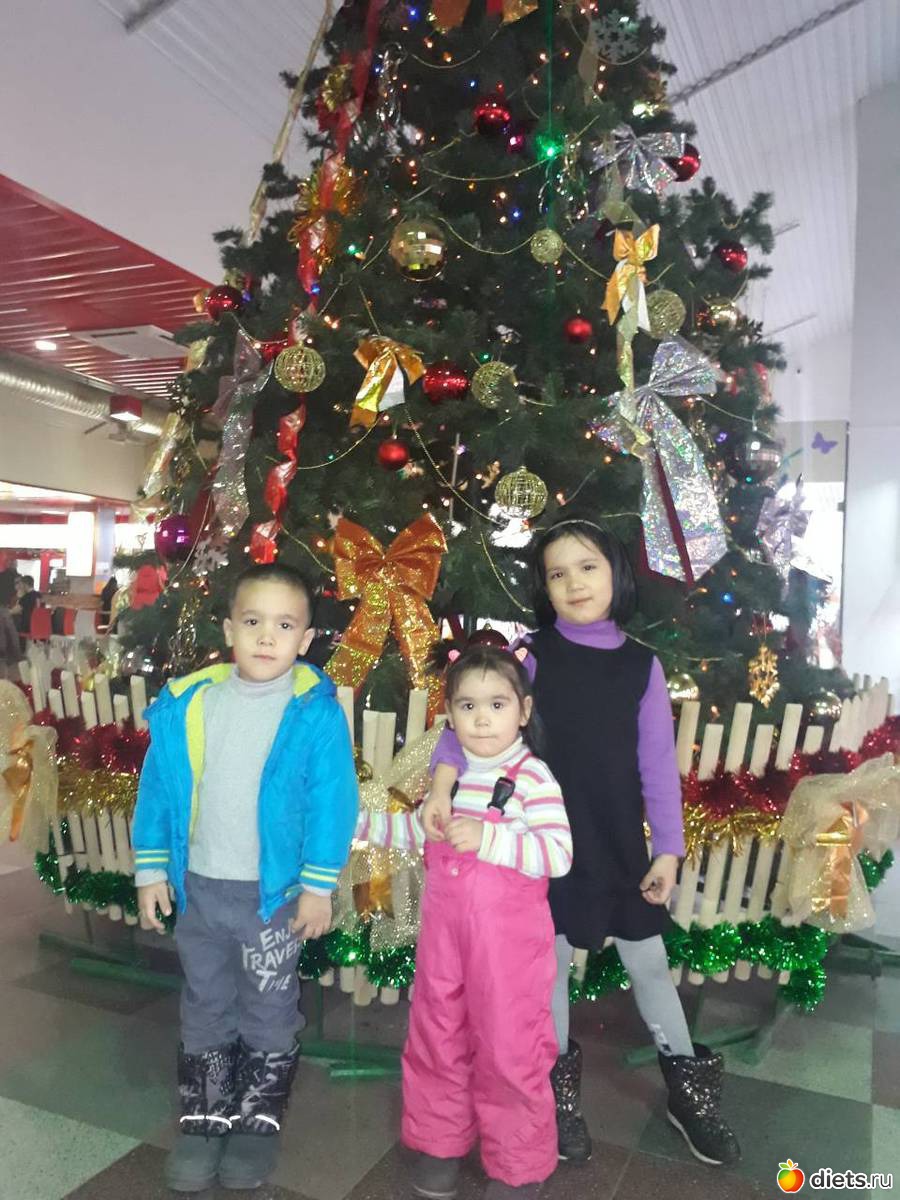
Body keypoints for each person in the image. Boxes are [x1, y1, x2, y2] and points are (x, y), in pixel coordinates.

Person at [426, 517, 740, 1168]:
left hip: (617, 843)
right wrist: (440, 787)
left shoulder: (642, 667)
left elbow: (658, 766)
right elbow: (464, 726)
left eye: (587, 566)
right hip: (542, 841)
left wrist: (668, 851)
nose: (574, 582)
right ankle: (555, 1099)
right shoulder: (532, 655)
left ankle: (688, 1091)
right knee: (548, 969)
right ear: (544, 587)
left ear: (616, 573)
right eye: (557, 573)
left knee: (649, 962)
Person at [132, 563, 358, 1193]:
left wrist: (317, 887)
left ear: (304, 639)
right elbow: (159, 790)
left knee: (268, 1007)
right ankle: (204, 1120)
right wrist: (152, 869)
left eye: (284, 626)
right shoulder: (189, 704)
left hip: (273, 899)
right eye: (253, 621)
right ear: (229, 629)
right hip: (202, 890)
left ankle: (257, 1122)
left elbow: (333, 802)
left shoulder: (313, 713)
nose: (266, 636)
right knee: (205, 1001)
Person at [359, 643, 572, 1200]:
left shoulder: (533, 778)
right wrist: (351, 824)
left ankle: (518, 1165)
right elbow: (415, 833)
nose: (482, 718)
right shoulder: (447, 783)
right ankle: (439, 1144)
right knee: (437, 1036)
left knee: (509, 1049)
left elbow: (558, 854)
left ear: (523, 711)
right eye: (468, 705)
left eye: (497, 704)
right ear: (450, 715)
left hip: (510, 954)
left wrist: (490, 838)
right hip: (444, 946)